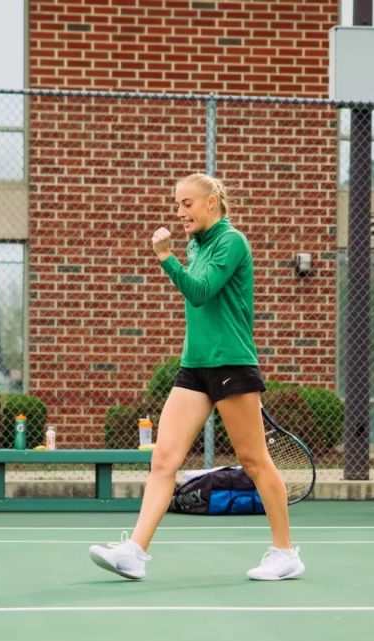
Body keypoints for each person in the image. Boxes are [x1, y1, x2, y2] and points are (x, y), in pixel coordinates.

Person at [89, 173, 305, 581]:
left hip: (231, 363)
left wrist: (166, 259)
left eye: (187, 203)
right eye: (177, 204)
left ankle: (285, 552)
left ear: (211, 203)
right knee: (163, 460)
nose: (179, 211)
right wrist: (176, 255)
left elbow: (202, 291)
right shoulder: (196, 244)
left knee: (254, 461)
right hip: (195, 366)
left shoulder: (232, 241)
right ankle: (134, 551)